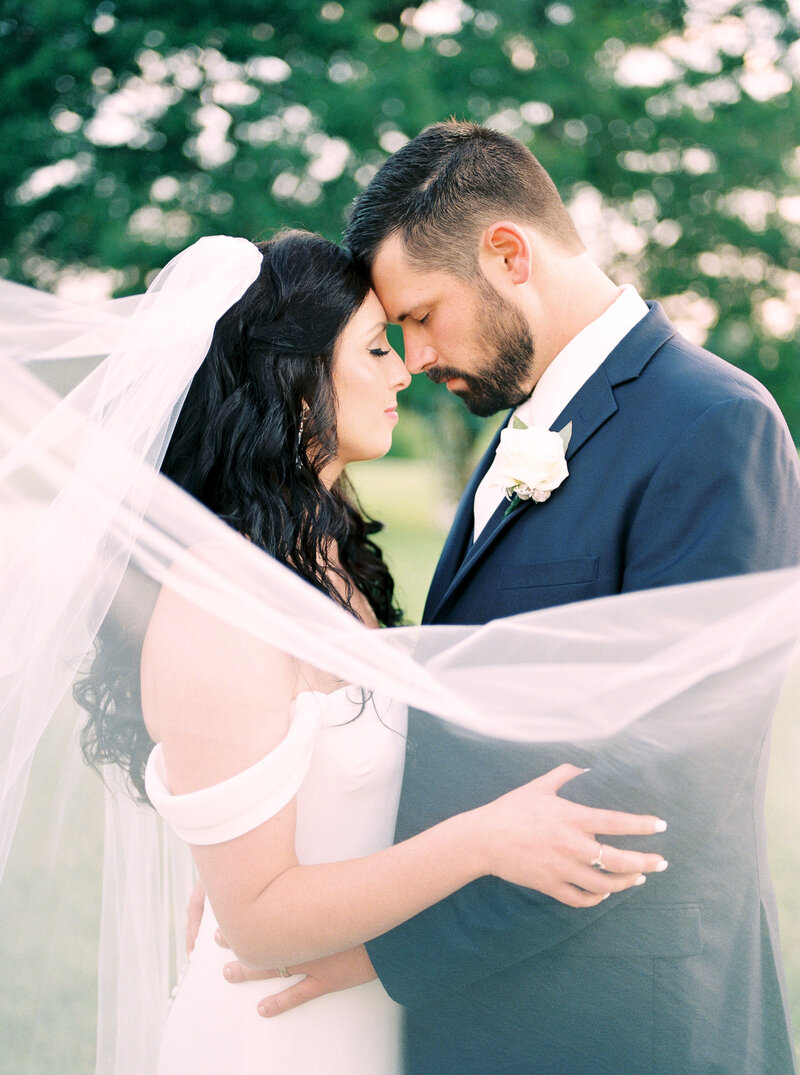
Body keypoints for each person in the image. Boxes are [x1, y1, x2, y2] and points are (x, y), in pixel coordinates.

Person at [228, 123, 800, 1073]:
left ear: (506, 253)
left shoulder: (716, 425)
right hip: (492, 1014)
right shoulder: (523, 424)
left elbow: (661, 788)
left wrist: (378, 949)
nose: (408, 357)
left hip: (626, 1020)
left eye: (419, 315)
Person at [64, 229, 669, 1074]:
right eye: (378, 347)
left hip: (370, 1011)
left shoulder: (329, 557)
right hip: (277, 1032)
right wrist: (487, 840)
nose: (403, 370)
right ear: (293, 375)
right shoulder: (218, 598)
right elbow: (257, 920)